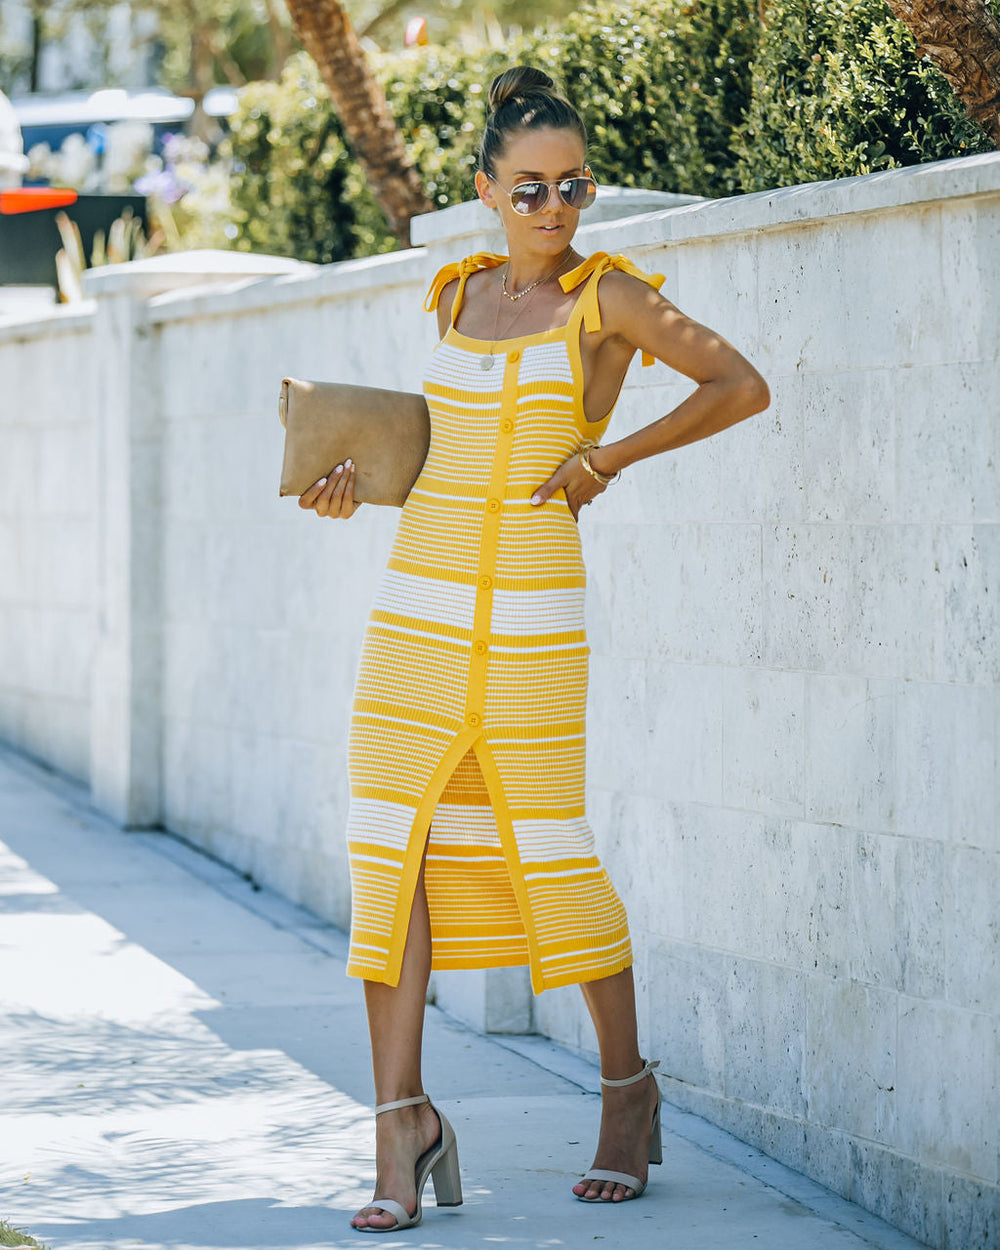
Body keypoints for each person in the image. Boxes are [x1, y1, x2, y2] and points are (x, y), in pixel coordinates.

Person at [298, 65, 770, 1233]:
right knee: (391, 854)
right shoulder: (454, 293)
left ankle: (626, 1087)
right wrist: (351, 483)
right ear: (486, 191)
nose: (553, 207)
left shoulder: (608, 299)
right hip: (414, 614)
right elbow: (442, 462)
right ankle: (400, 1122)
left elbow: (737, 383)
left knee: (550, 847)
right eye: (529, 189)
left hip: (531, 619)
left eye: (572, 186)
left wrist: (605, 457)